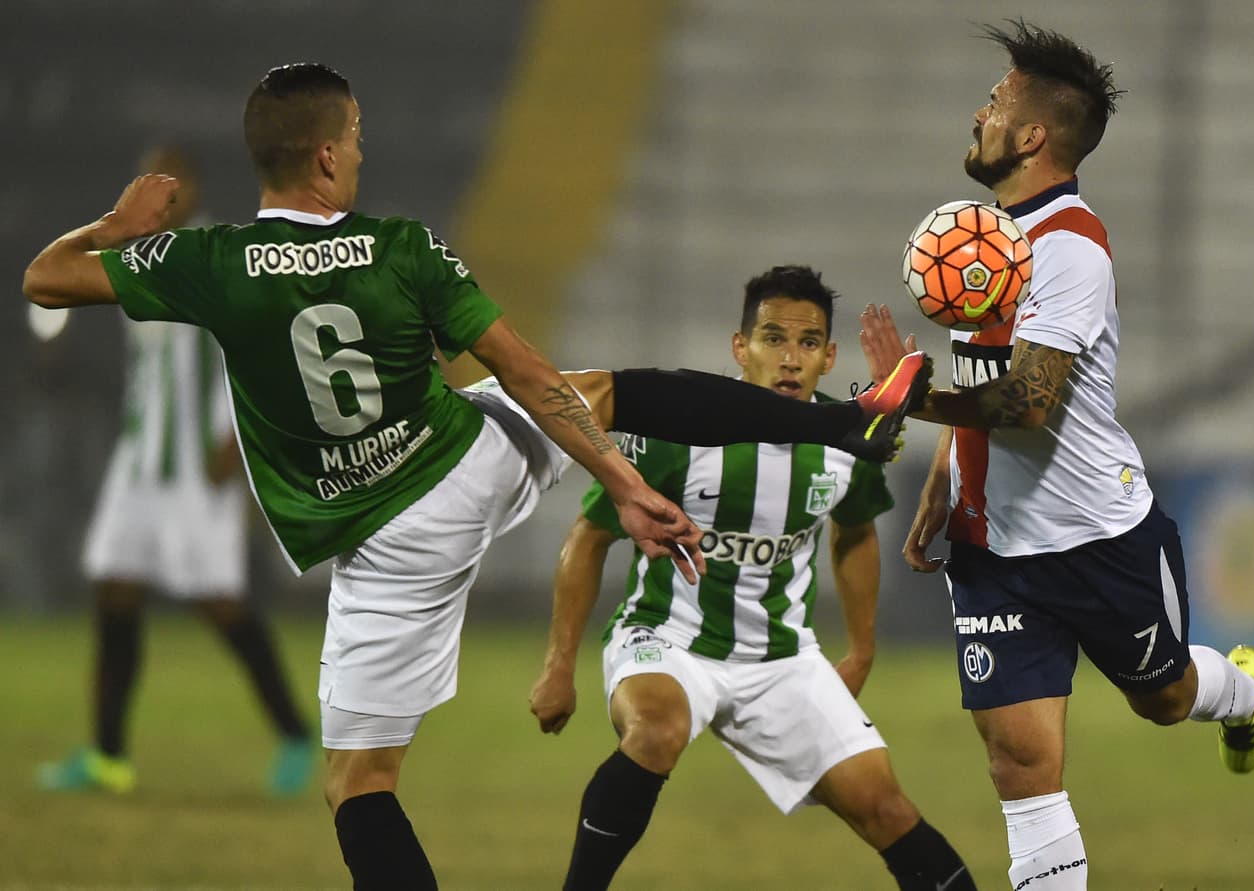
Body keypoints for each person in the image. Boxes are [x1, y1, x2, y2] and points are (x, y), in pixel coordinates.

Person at [22, 64, 932, 889]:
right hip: (461, 471)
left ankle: (843, 425)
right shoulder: (399, 249)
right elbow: (531, 376)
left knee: (359, 785)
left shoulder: (206, 262)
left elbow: (45, 279)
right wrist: (620, 479)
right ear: (330, 156)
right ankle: (845, 422)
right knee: (604, 388)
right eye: (361, 139)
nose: (364, 154)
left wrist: (115, 227)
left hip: (371, 548)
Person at [858, 20, 1254, 890]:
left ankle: (1244, 692)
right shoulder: (985, 238)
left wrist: (909, 396)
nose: (982, 112)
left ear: (1034, 135)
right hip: (996, 551)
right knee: (1020, 762)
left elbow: (1031, 401)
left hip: (1098, 535)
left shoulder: (1069, 246)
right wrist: (943, 471)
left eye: (999, 102)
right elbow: (984, 367)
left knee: (1160, 698)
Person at [530, 265, 976, 891]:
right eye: (773, 338)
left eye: (809, 342)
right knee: (656, 731)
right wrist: (557, 665)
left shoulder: (848, 439)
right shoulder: (678, 428)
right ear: (740, 348)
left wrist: (863, 648)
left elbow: (853, 535)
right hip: (668, 638)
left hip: (782, 659)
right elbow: (589, 537)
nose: (790, 359)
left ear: (830, 357)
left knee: (886, 808)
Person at [36, 145, 314, 798]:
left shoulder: (217, 255)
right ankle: (108, 754)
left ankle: (297, 734)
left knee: (220, 604)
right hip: (138, 465)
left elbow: (262, 348)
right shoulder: (135, 256)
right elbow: (53, 279)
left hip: (199, 463)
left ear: (193, 189)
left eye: (170, 180)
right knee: (114, 589)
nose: (157, 190)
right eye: (145, 177)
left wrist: (239, 438)